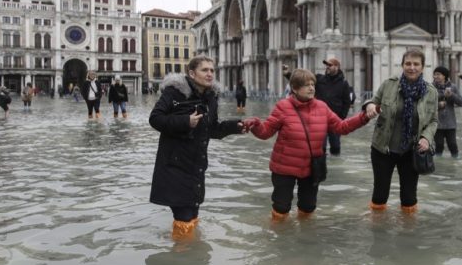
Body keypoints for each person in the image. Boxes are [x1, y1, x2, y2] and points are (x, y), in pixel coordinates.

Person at [246, 68, 370, 221]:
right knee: (281, 208)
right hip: (284, 168)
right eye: (306, 85)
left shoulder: (322, 107)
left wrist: (364, 117)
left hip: (311, 167)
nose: (311, 88)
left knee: (308, 207)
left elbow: (341, 127)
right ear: (294, 88)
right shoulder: (283, 107)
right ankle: (279, 233)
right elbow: (265, 132)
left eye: (313, 84)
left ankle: (305, 234)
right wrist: (256, 124)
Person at [149, 56, 247, 240]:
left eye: (212, 70)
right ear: (192, 73)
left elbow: (212, 129)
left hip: (196, 167)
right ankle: (183, 253)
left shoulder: (211, 97)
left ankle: (189, 253)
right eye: (205, 70)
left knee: (192, 216)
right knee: (184, 218)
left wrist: (236, 127)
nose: (210, 74)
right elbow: (155, 119)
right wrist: (185, 121)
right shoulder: (174, 92)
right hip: (174, 167)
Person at [362, 49, 438, 214]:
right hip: (383, 149)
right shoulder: (389, 84)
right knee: (380, 194)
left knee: (409, 198)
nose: (412, 67)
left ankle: (408, 228)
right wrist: (369, 105)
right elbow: (373, 101)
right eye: (408, 63)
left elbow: (433, 121)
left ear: (423, 67)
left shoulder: (431, 92)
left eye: (416, 64)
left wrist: (426, 138)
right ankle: (378, 227)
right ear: (402, 65)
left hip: (411, 151)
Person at [316, 56, 355, 156]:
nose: (327, 67)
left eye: (330, 65)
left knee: (335, 147)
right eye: (326, 65)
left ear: (337, 67)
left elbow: (347, 102)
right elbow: (303, 80)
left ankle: (335, 162)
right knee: (320, 148)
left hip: (335, 120)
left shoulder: (343, 83)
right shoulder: (319, 79)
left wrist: (341, 118)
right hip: (320, 119)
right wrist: (288, 74)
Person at [432, 66, 462, 158]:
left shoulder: (453, 87)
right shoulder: (431, 87)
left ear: (444, 76)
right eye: (434, 74)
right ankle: (439, 164)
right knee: (439, 146)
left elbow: (460, 102)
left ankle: (455, 163)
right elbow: (426, 105)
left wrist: (451, 95)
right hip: (437, 123)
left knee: (453, 145)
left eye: (438, 74)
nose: (435, 76)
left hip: (450, 123)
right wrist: (439, 105)